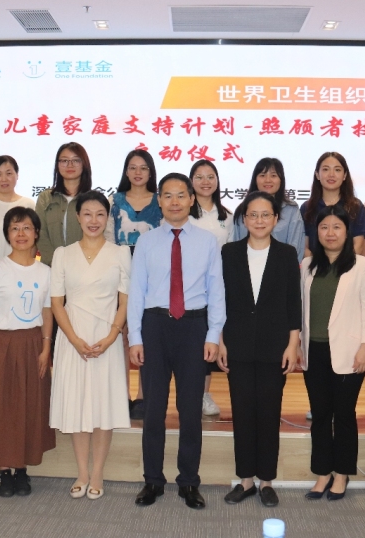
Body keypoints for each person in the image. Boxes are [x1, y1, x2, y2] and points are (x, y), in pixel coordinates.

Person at [128, 173, 226, 510]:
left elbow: (216, 290)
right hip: (154, 326)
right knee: (153, 410)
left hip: (193, 328)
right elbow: (136, 292)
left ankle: (189, 481)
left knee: (190, 410)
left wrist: (213, 334)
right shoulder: (146, 242)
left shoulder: (207, 241)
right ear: (159, 201)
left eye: (181, 195)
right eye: (167, 195)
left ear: (191, 199)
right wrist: (136, 337)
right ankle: (153, 480)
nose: (174, 202)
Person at [218, 192, 301, 508]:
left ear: (276, 219)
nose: (259, 220)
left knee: (269, 413)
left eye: (266, 215)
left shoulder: (286, 254)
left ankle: (266, 481)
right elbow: (220, 301)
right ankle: (245, 481)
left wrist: (292, 344)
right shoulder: (229, 253)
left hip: (274, 346)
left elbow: (293, 303)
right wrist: (221, 340)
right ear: (244, 219)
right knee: (242, 413)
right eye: (253, 215)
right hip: (237, 344)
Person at [50, 192, 132, 500]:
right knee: (77, 405)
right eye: (87, 214)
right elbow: (56, 302)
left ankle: (97, 472)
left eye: (100, 214)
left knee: (102, 404)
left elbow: (125, 301)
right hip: (73, 337)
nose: (93, 220)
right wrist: (73, 339)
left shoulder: (120, 253)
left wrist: (112, 337)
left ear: (107, 218)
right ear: (78, 217)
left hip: (106, 337)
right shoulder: (63, 254)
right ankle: (81, 472)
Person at [0, 207, 55, 498]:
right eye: (14, 228)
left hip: (34, 343)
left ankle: (22, 468)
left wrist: (45, 347)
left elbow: (47, 311)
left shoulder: (46, 272)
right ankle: (4, 471)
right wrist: (2, 339)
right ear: (7, 234)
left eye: (26, 228)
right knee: (2, 406)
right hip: (1, 343)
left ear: (36, 233)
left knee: (30, 405)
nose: (21, 234)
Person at [301, 205, 365, 501]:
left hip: (349, 351)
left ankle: (342, 473)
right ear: (316, 232)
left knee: (344, 414)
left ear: (347, 232)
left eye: (337, 227)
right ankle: (322, 473)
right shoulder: (308, 266)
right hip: (314, 351)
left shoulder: (361, 265)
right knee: (320, 414)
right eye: (324, 227)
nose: (330, 233)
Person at [104, 149, 161, 421]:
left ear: (151, 172)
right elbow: (107, 238)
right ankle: (122, 394)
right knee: (122, 335)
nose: (138, 172)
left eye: (143, 168)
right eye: (133, 167)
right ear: (126, 171)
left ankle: (142, 395)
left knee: (147, 334)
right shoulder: (113, 202)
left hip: (153, 274)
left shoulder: (161, 201)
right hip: (121, 272)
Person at [188, 159, 234, 417]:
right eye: (199, 176)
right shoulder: (184, 212)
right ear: (191, 181)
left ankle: (204, 394)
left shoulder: (227, 216)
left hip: (218, 286)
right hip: (190, 288)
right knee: (193, 341)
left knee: (212, 339)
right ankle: (191, 392)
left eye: (210, 176)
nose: (205, 182)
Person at [232, 157, 306, 261]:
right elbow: (236, 244)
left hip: (282, 267)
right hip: (246, 267)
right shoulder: (242, 209)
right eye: (262, 175)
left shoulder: (291, 210)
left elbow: (295, 247)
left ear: (281, 180)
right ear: (255, 179)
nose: (268, 180)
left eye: (273, 175)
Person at [301, 152, 365, 259]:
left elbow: (359, 245)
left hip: (349, 266)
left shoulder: (355, 206)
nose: (331, 174)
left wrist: (339, 265)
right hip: (315, 267)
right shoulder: (307, 208)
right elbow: (303, 245)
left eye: (337, 170)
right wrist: (318, 264)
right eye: (326, 169)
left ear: (345, 175)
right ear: (317, 175)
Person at [35, 142, 91, 266]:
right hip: (50, 268)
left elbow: (98, 236)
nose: (70, 165)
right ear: (57, 165)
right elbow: (40, 233)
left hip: (85, 268)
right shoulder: (45, 198)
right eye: (64, 160)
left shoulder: (93, 200)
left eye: (76, 160)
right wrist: (56, 263)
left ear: (84, 164)